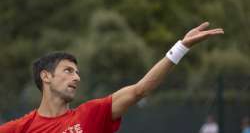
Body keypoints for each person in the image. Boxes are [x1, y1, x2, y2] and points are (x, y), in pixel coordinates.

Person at [0, 22, 224, 133]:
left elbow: (140, 90)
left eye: (77, 72)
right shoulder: (20, 128)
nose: (76, 77)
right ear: (46, 77)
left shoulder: (91, 114)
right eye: (68, 71)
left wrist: (181, 46)